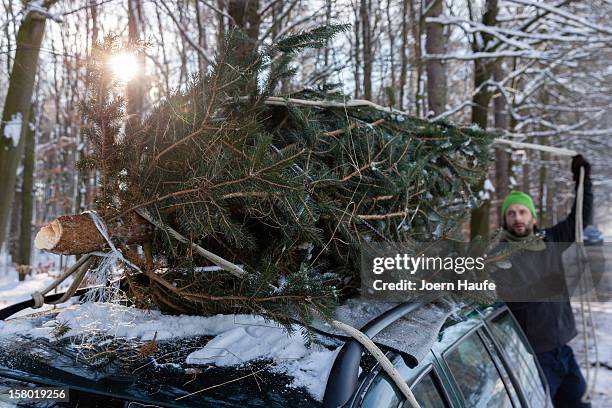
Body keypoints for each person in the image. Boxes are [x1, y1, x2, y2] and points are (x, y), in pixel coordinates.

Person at [499, 155, 592, 408]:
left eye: (522, 212)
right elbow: (507, 297)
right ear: (505, 221)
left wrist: (583, 181)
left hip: (564, 349)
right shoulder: (501, 255)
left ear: (532, 217)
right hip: (533, 358)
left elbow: (579, 220)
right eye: (511, 213)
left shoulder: (551, 240)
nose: (517, 218)